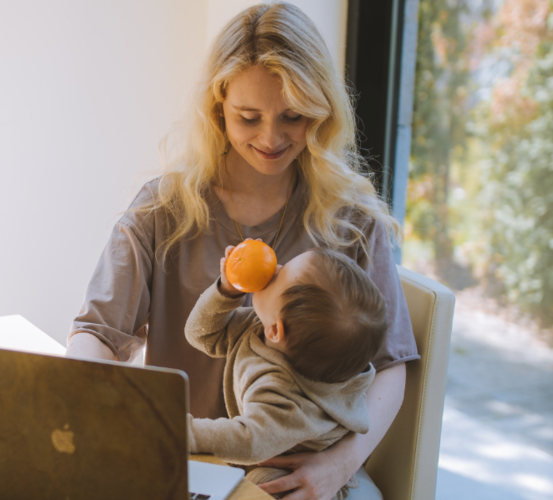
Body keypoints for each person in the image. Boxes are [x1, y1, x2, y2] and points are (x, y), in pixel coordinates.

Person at [66, 3, 418, 499]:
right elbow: (97, 332)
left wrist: (338, 466)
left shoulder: (352, 220)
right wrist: (83, 399)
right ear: (218, 108)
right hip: (180, 462)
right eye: (248, 117)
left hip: (298, 474)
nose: (271, 138)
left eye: (293, 116)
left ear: (321, 111)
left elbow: (390, 365)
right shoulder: (163, 209)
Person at [185, 246, 387, 500]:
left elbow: (249, 440)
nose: (275, 268)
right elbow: (202, 334)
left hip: (291, 472)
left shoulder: (284, 397)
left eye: (280, 275)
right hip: (267, 455)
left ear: (276, 331)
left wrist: (181, 432)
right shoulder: (262, 328)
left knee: (262, 490)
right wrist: (226, 291)